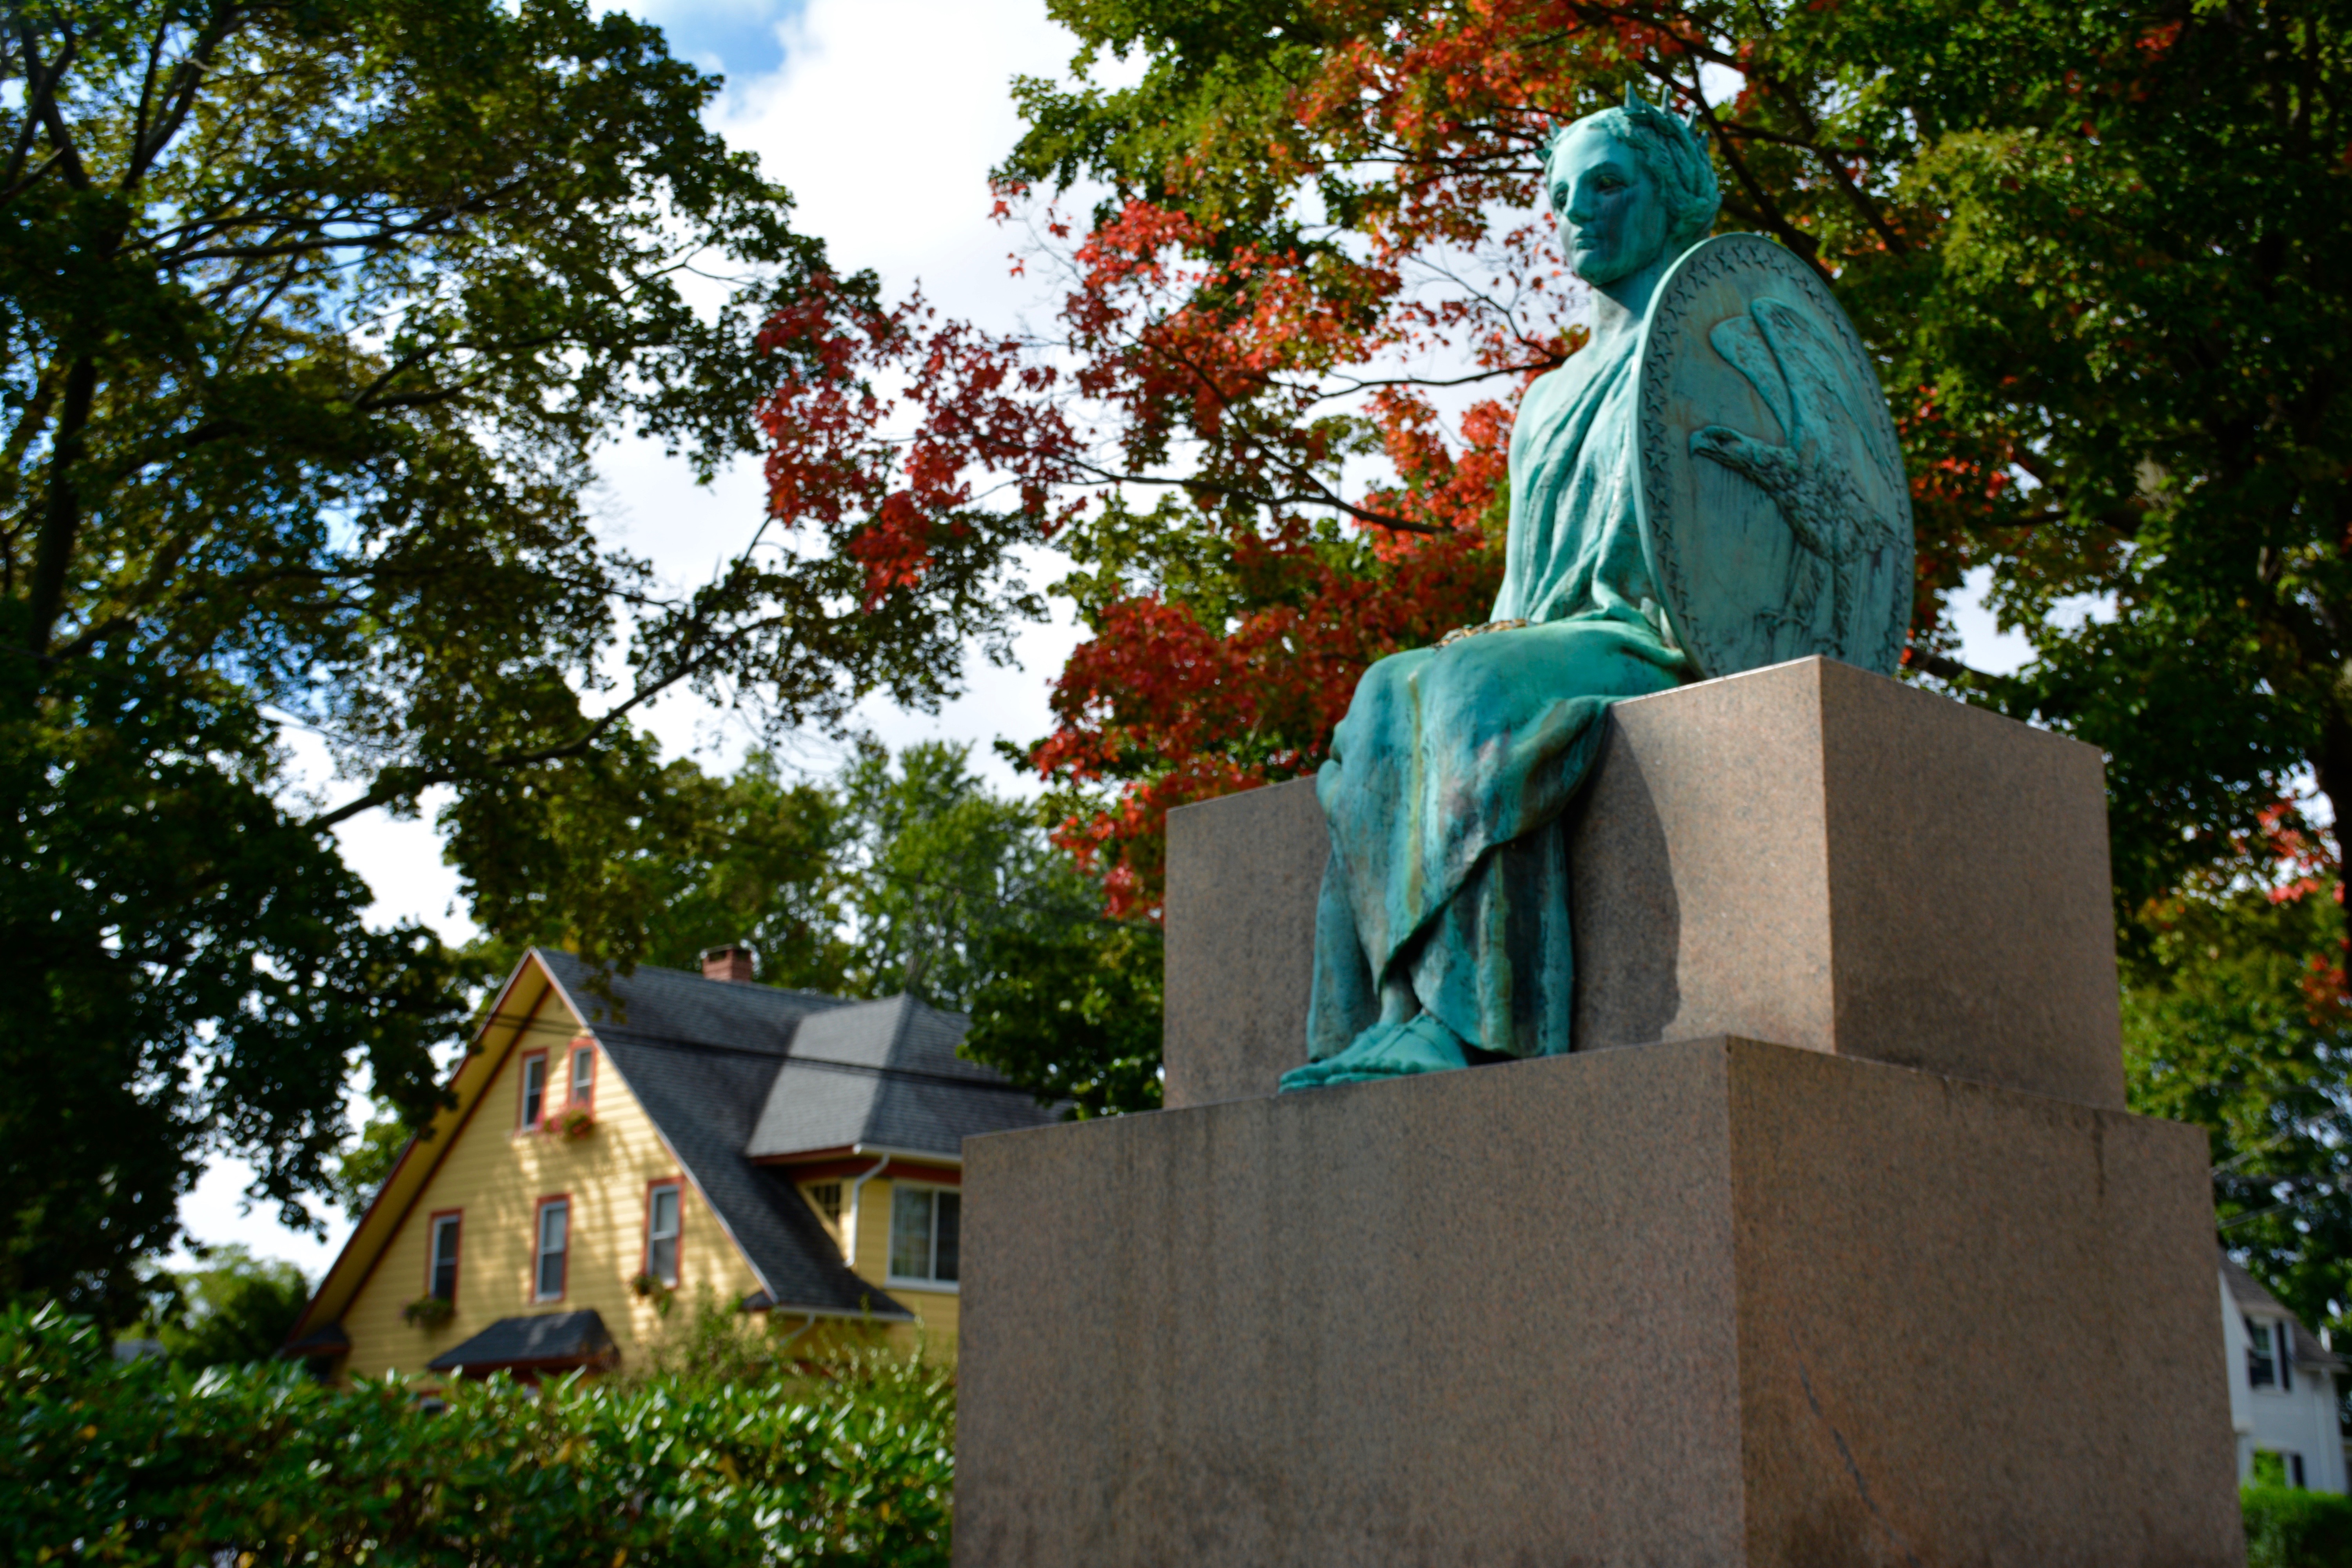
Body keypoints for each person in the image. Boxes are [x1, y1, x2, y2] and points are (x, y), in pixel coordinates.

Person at [1281, 89, 1721, 1090]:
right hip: (1550, 631)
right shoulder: (1546, 399)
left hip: (1647, 634)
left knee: (1473, 689)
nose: (1576, 209)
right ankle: (1388, 1015)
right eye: (1561, 192)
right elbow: (1521, 591)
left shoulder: (1711, 349)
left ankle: (1471, 1017)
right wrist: (1474, 646)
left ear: (1676, 199)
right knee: (1385, 690)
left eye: (1608, 185)